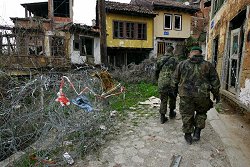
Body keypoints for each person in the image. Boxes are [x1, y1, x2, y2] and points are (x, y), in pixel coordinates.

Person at [172, 46, 220, 144]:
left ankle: (188, 135)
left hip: (185, 95)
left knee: (186, 114)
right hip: (202, 95)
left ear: (190, 53)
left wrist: (174, 91)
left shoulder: (182, 64)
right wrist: (216, 94)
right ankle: (197, 132)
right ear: (200, 53)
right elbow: (215, 81)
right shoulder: (208, 65)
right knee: (201, 113)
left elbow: (174, 79)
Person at [155, 45, 179, 124]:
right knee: (172, 98)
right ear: (172, 51)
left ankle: (162, 117)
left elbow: (156, 70)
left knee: (163, 100)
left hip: (162, 82)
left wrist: (157, 79)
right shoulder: (175, 60)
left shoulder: (160, 59)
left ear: (165, 50)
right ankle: (171, 113)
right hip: (172, 83)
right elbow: (178, 72)